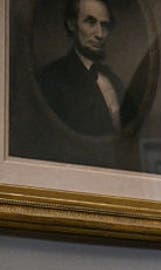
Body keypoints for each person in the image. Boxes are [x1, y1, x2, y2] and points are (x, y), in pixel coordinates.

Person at [31, 0, 144, 170]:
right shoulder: (50, 79)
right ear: (71, 24)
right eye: (90, 22)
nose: (99, 33)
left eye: (104, 25)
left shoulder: (113, 80)